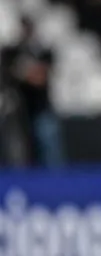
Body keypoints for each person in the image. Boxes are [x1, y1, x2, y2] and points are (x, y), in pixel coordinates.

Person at [0, 16, 63, 168]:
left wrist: (25, 73)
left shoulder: (43, 51)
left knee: (49, 146)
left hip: (40, 107)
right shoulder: (13, 51)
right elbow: (10, 73)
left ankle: (56, 184)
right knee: (18, 151)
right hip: (19, 111)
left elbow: (41, 77)